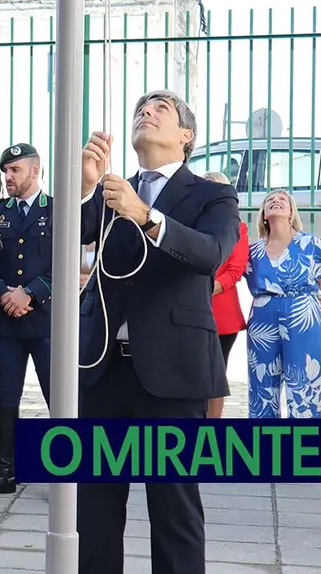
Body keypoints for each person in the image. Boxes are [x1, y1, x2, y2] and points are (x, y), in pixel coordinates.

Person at [77, 90, 240, 574]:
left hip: (172, 372)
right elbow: (67, 238)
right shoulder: (109, 190)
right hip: (104, 369)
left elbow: (211, 253)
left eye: (159, 109)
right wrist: (86, 189)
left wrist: (146, 215)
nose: (145, 113)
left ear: (186, 136)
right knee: (96, 509)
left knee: (173, 509)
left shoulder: (212, 194)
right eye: (140, 110)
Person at [0, 143, 53, 498]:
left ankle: (66, 474)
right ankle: (4, 471)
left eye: (15, 170)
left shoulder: (58, 210)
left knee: (59, 398)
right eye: (6, 171)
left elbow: (67, 263)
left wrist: (30, 293)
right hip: (5, 321)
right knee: (5, 397)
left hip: (47, 321)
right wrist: (4, 293)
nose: (8, 177)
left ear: (35, 172)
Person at [245, 189, 321, 418]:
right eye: (270, 200)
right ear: (263, 214)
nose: (276, 201)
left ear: (292, 212)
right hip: (262, 319)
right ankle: (265, 446)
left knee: (305, 384)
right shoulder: (252, 250)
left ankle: (304, 446)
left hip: (302, 316)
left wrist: (319, 300)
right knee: (261, 384)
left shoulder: (310, 243)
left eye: (282, 199)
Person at [202, 171, 249, 418]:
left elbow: (235, 271)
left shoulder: (239, 229)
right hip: (190, 311)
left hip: (222, 316)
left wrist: (204, 288)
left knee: (216, 376)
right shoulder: (191, 224)